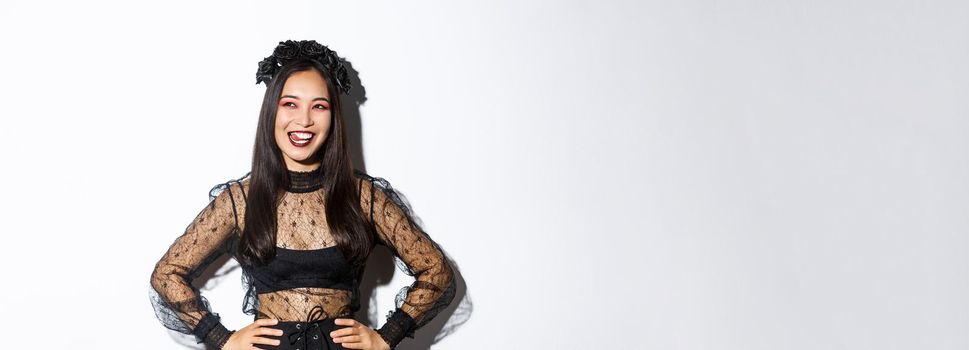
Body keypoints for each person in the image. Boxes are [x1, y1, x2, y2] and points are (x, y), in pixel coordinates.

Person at [149, 40, 456, 350]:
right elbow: (167, 274)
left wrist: (386, 337)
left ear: (333, 117)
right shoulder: (240, 200)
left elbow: (436, 270)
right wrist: (220, 338)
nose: (305, 120)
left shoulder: (364, 197)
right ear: (272, 111)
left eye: (319, 106)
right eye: (290, 104)